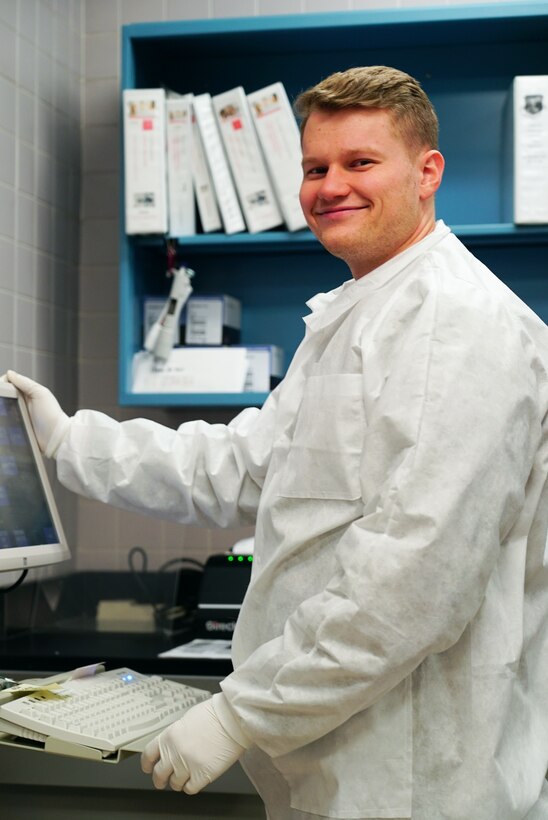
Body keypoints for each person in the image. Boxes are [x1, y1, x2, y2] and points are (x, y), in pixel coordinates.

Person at [6, 65, 548, 820]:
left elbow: (415, 581)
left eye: (360, 162)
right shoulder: (363, 312)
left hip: (416, 780)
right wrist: (69, 441)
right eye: (315, 168)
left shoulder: (458, 323)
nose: (332, 187)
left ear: (428, 173)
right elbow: (242, 465)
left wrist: (241, 714)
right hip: (346, 762)